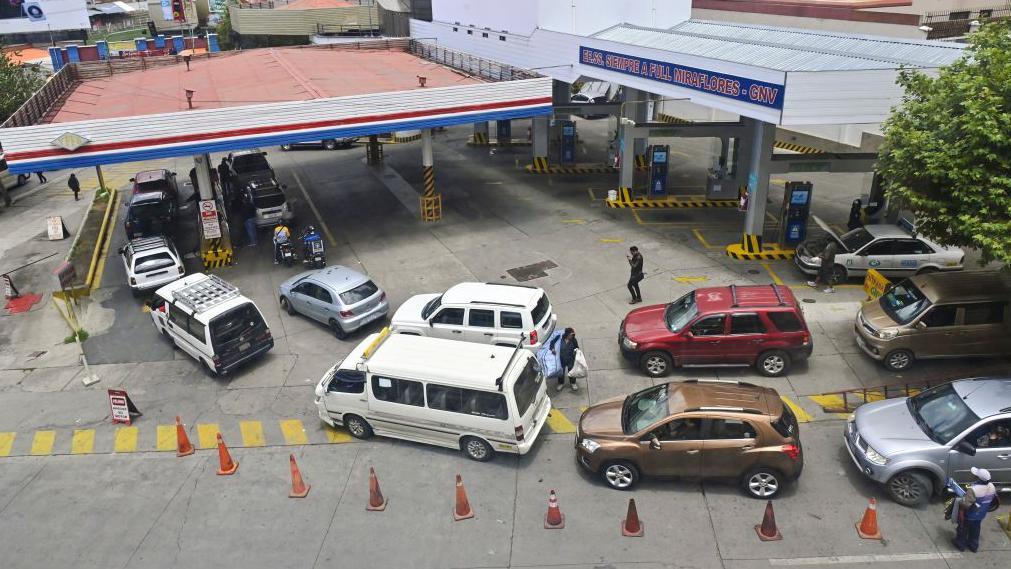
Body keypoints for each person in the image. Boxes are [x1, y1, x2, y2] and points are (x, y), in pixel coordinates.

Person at [953, 467, 998, 552]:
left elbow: (966, 505)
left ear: (978, 478)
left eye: (976, 475)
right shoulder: (992, 486)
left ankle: (960, 544)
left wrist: (960, 502)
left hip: (970, 515)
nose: (973, 476)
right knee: (976, 529)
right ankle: (973, 546)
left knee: (963, 528)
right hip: (981, 514)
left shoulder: (973, 489)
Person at [554, 328, 579, 392]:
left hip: (570, 359)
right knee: (561, 372)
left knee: (572, 371)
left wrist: (576, 350)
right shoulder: (559, 339)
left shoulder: (574, 340)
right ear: (567, 334)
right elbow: (552, 343)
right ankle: (560, 383)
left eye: (573, 334)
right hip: (561, 359)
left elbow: (577, 347)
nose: (572, 336)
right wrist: (552, 349)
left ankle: (573, 383)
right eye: (571, 334)